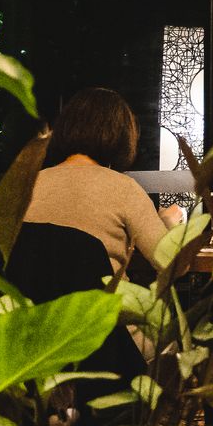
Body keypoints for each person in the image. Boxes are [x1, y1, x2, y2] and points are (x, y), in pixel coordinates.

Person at [22, 88, 179, 281]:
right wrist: (169, 225)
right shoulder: (124, 189)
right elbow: (174, 264)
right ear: (122, 136)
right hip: (104, 309)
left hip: (38, 310)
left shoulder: (28, 185)